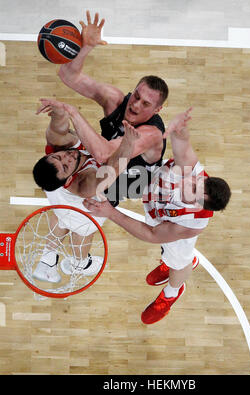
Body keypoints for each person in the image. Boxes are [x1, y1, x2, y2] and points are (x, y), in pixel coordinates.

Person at [82, 108, 231, 324]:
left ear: (200, 203)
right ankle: (172, 263)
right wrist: (179, 128)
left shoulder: (190, 223)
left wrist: (110, 212)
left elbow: (151, 234)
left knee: (178, 261)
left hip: (166, 225)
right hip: (154, 196)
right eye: (199, 182)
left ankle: (172, 293)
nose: (191, 183)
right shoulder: (190, 169)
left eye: (196, 190)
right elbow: (182, 144)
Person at [58, 10, 169, 206]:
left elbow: (103, 154)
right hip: (104, 165)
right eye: (136, 96)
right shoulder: (115, 100)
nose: (135, 105)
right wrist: (86, 47)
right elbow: (67, 76)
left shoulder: (151, 134)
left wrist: (74, 112)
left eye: (145, 104)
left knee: (87, 218)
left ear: (157, 110)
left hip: (128, 182)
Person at [32, 98, 139, 283]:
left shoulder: (58, 153)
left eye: (59, 156)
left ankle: (48, 260)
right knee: (82, 231)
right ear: (66, 178)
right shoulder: (85, 185)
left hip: (57, 195)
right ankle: (79, 263)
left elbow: (57, 129)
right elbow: (114, 168)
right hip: (82, 206)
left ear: (51, 154)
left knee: (60, 216)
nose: (69, 157)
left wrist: (59, 113)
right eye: (66, 166)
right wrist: (128, 143)